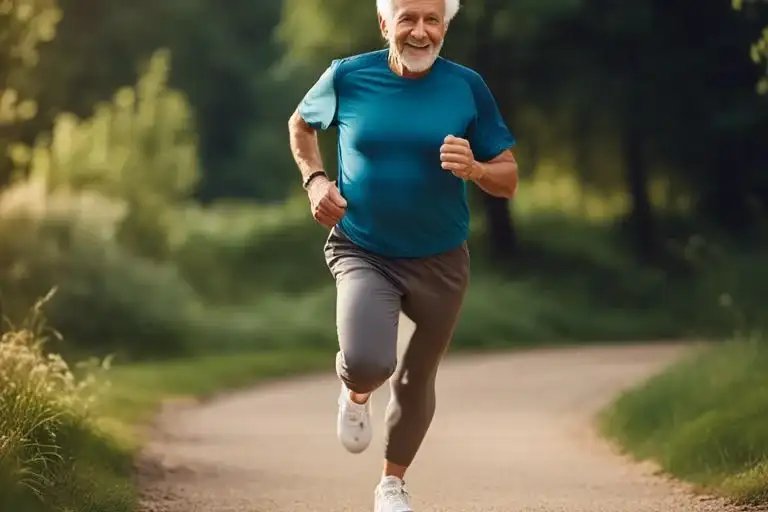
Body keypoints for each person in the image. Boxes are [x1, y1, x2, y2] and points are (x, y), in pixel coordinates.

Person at [288, 0, 518, 510]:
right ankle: (356, 391)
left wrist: (476, 169)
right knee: (370, 362)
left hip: (441, 257)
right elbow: (301, 125)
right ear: (384, 23)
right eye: (408, 18)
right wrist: (316, 180)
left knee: (417, 377)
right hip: (364, 246)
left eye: (432, 20)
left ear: (444, 27)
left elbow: (508, 177)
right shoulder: (348, 76)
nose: (420, 31)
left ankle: (391, 484)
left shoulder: (467, 86)